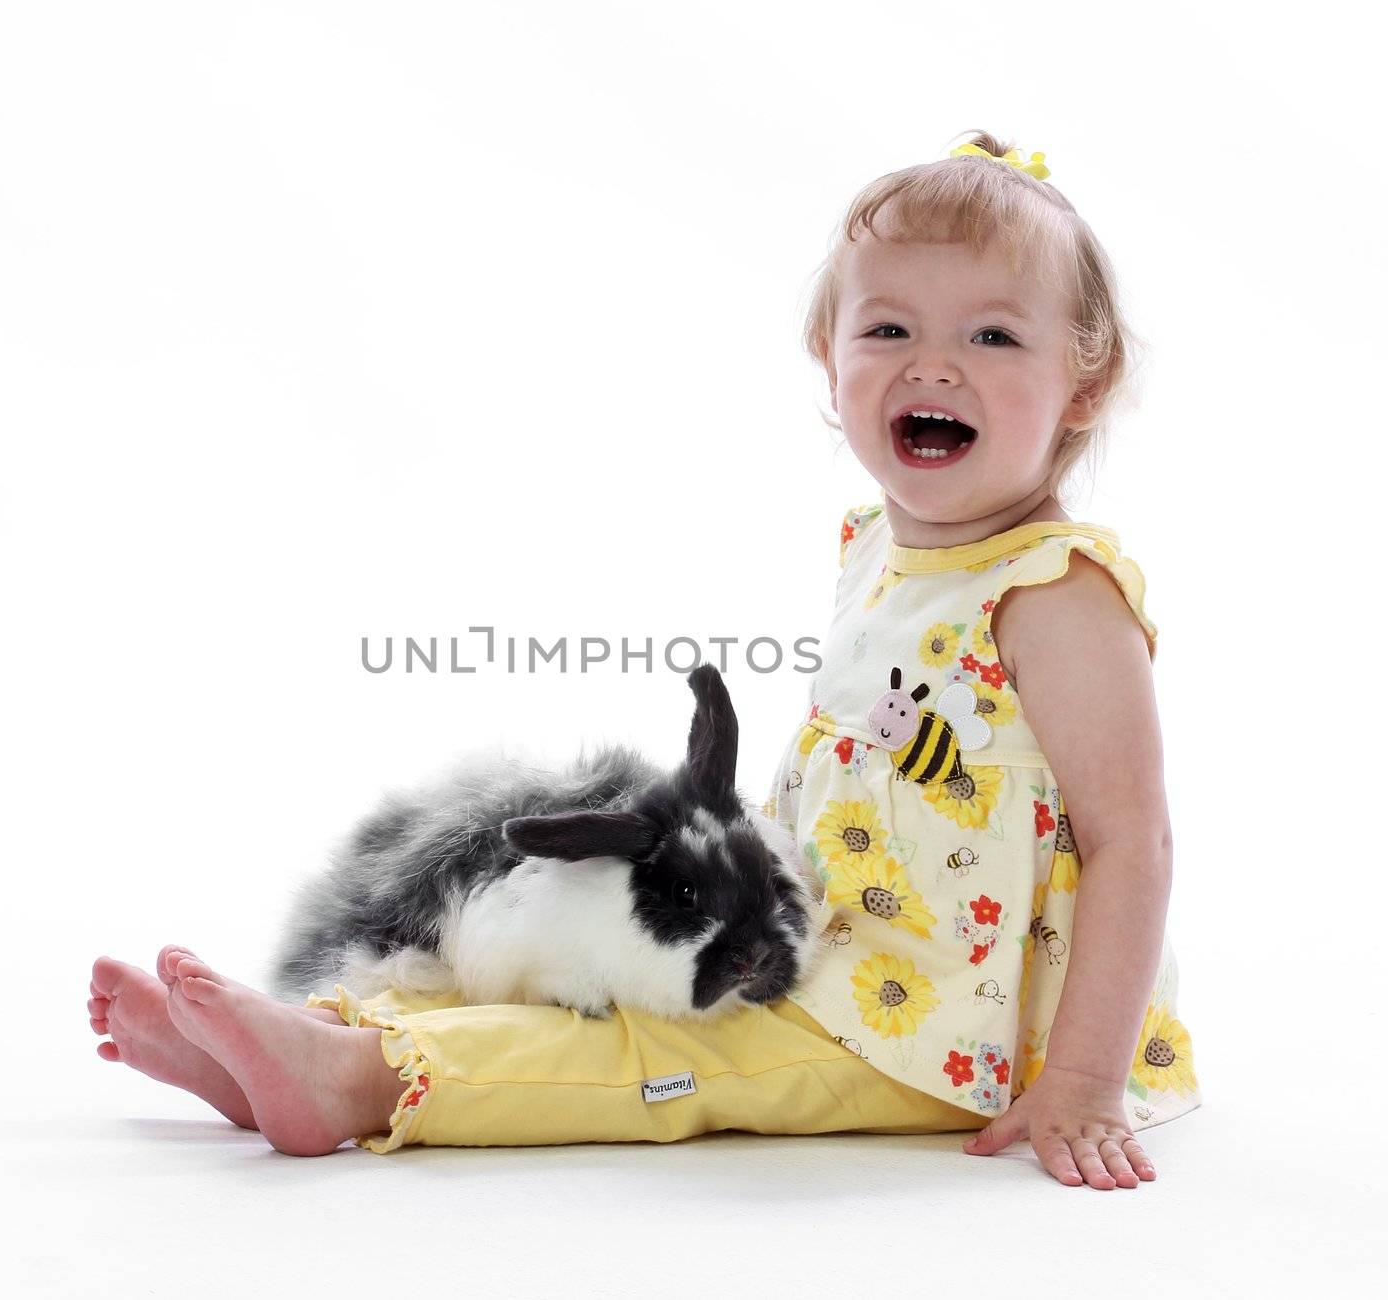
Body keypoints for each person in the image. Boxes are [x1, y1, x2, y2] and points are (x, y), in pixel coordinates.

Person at [87, 130, 1200, 1188]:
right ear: (830, 356)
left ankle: (357, 1083)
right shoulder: (881, 548)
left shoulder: (1054, 593)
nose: (936, 365)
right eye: (889, 330)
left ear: (1084, 386)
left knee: (641, 1068)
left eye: (993, 337)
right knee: (601, 986)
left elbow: (1131, 841)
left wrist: (1085, 1081)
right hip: (823, 954)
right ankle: (293, 1049)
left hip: (938, 1029)